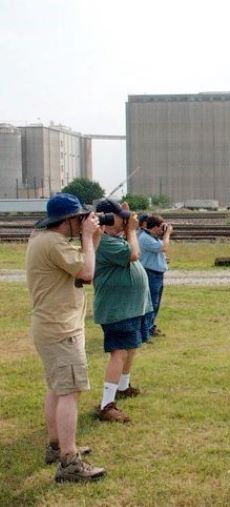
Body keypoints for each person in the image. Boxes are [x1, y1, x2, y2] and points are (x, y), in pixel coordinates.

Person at [25, 193, 106, 483]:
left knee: (58, 389)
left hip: (51, 326)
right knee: (70, 392)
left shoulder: (43, 239)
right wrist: (87, 235)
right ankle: (69, 461)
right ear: (68, 220)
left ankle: (57, 445)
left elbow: (85, 265)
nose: (84, 221)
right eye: (80, 218)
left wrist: (90, 237)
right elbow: (87, 272)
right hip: (61, 329)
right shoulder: (55, 244)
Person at [93, 199, 153, 423]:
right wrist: (131, 231)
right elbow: (134, 254)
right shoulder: (105, 242)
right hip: (117, 308)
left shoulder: (114, 238)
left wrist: (127, 228)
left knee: (130, 348)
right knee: (119, 352)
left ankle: (123, 386)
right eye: (120, 216)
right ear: (107, 218)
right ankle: (107, 404)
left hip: (131, 307)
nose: (125, 221)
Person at [138, 215, 172, 338]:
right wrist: (167, 234)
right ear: (156, 227)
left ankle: (150, 328)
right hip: (150, 274)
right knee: (151, 303)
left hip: (157, 274)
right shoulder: (145, 238)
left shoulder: (152, 237)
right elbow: (164, 247)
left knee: (155, 303)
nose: (163, 229)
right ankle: (145, 331)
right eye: (161, 226)